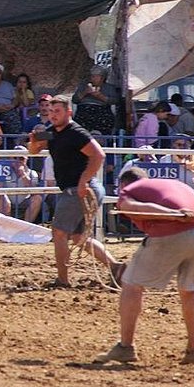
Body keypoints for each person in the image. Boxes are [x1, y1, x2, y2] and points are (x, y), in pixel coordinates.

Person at [94, 167, 194, 365]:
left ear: (123, 183)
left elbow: (133, 207)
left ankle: (125, 347)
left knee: (131, 284)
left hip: (172, 232)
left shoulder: (129, 190)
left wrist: (172, 214)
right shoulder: (177, 186)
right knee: (191, 291)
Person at [27, 94, 125, 287]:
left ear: (68, 112)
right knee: (79, 237)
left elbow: (98, 155)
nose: (53, 115)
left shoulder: (76, 133)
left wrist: (83, 181)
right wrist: (34, 142)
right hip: (79, 188)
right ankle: (116, 267)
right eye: (50, 111)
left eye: (57, 111)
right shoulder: (51, 132)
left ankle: (62, 280)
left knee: (59, 233)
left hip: (79, 189)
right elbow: (33, 151)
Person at [0, 145, 43, 223]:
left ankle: (26, 226)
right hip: (7, 200)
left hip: (24, 201)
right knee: (0, 196)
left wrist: (23, 174)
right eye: (15, 158)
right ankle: (5, 225)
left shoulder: (32, 173)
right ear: (10, 158)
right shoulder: (3, 170)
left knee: (37, 198)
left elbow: (34, 192)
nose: (18, 161)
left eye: (21, 158)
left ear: (26, 159)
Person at [71, 65, 118, 135]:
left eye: (96, 76)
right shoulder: (83, 86)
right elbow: (74, 100)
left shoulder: (109, 87)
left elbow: (114, 101)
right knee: (82, 119)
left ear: (102, 78)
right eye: (92, 76)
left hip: (102, 109)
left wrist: (100, 96)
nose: (93, 79)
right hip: (84, 108)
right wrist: (85, 92)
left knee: (104, 119)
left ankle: (100, 136)